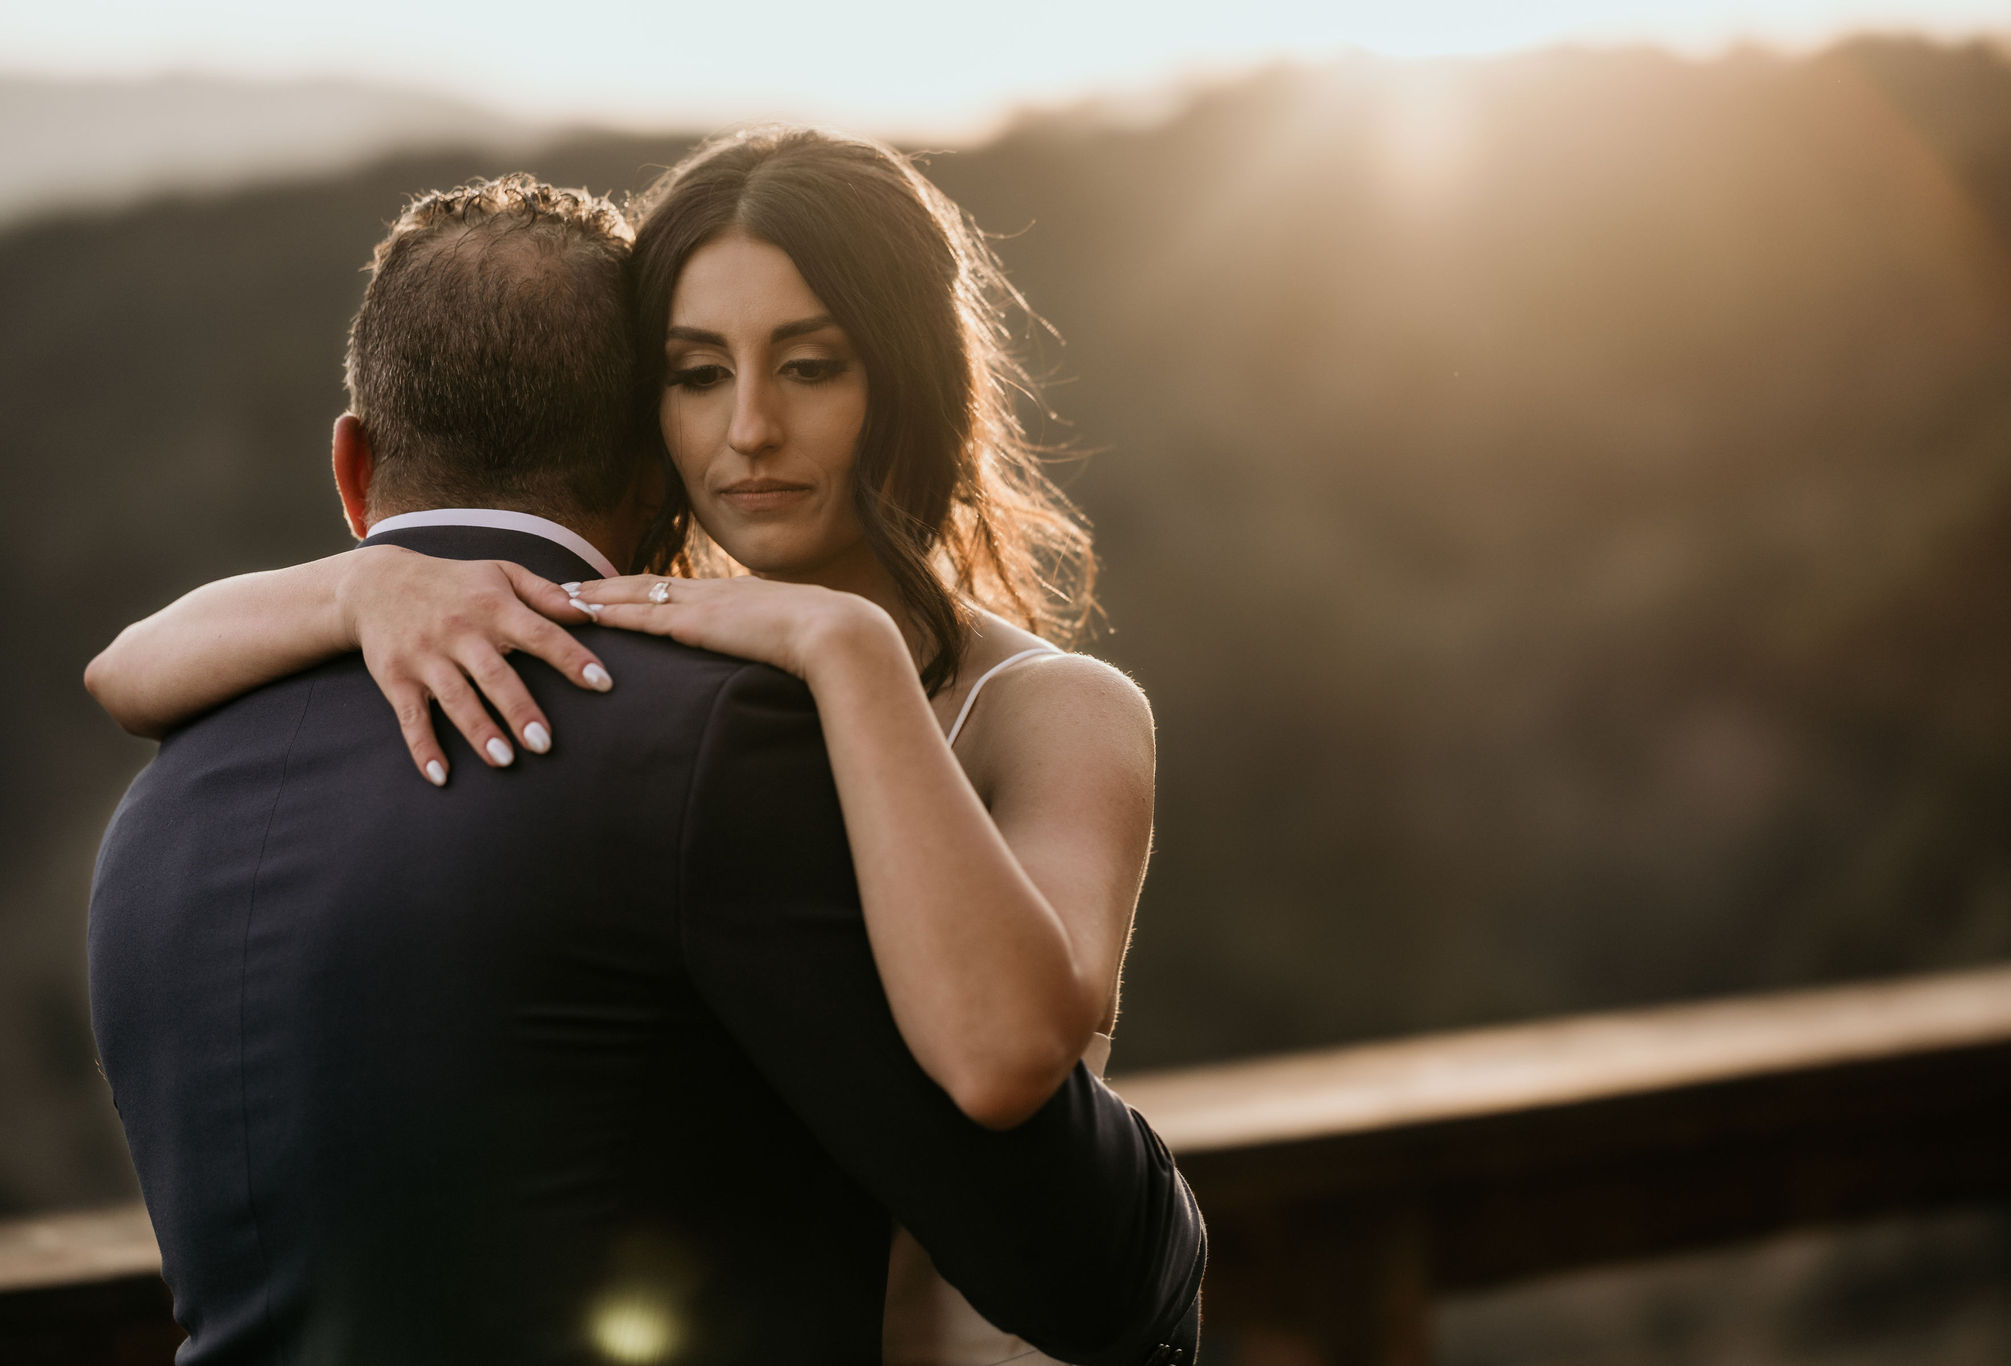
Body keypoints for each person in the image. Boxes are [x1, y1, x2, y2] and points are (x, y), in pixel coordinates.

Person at [86, 173, 1202, 1366]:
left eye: (811, 365)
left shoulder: (1031, 707)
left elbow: (1005, 1065)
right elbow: (123, 667)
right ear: (643, 436)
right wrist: (363, 581)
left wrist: (851, 649)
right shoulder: (659, 692)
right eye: (695, 373)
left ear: (911, 383)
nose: (750, 429)